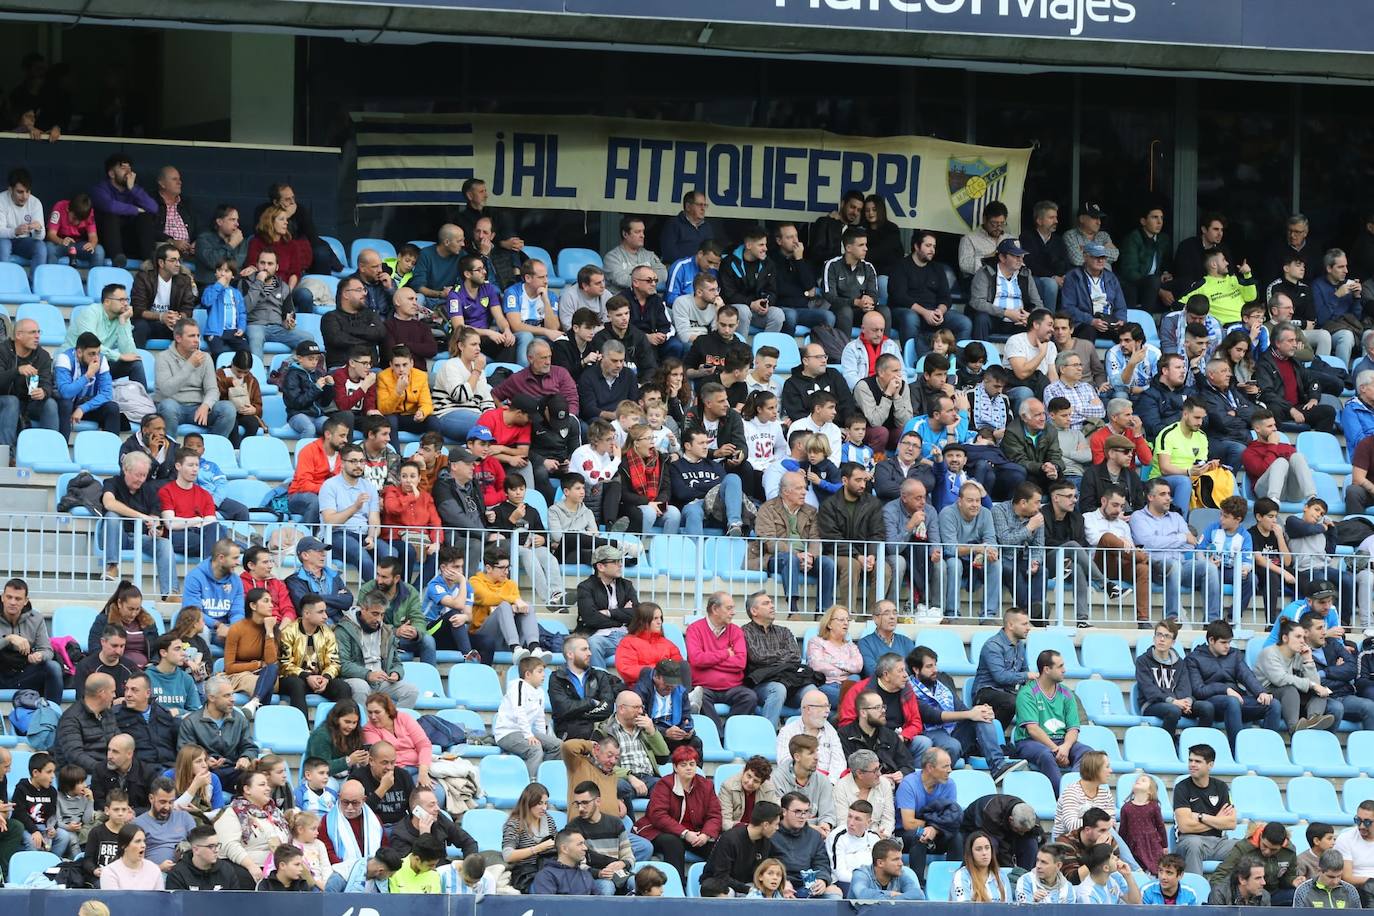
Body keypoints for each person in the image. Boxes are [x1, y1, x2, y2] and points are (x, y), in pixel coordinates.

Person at [909, 645, 1022, 782]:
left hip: (952, 729)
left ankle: (998, 766)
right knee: (953, 745)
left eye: (935, 665)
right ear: (916, 669)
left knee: (981, 717)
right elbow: (933, 715)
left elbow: (960, 707)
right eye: (929, 667)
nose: (935, 670)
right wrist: (970, 714)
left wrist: (980, 711)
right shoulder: (909, 689)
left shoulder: (943, 680)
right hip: (930, 731)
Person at [1013, 650, 1091, 795]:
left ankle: (1076, 792)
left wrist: (1065, 748)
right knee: (1046, 755)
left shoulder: (1067, 693)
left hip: (1062, 741)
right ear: (1046, 669)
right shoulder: (1027, 693)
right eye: (1060, 666)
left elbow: (1073, 728)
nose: (1064, 670)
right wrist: (1056, 750)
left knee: (1088, 754)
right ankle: (1063, 797)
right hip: (1029, 741)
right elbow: (1033, 729)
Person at [1254, 616, 1337, 731]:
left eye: (1303, 637)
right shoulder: (1269, 653)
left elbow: (1316, 683)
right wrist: (1311, 684)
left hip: (1293, 697)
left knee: (1321, 691)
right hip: (1268, 693)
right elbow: (1280, 679)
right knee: (1290, 689)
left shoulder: (1300, 654)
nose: (1303, 641)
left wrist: (1308, 660)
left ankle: (1313, 719)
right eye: (1298, 637)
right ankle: (1294, 727)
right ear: (1285, 638)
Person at [701, 798, 781, 897]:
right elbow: (721, 876)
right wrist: (749, 889)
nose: (777, 828)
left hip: (746, 885)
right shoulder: (730, 839)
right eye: (776, 824)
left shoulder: (766, 842)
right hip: (719, 885)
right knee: (727, 892)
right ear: (765, 825)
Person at [0, 578, 64, 702]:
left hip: (24, 673)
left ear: (25, 601)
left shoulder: (36, 618)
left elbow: (47, 650)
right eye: (9, 597)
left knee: (53, 667)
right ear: (2, 597)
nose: (12, 602)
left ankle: (51, 715)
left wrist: (39, 656)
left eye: (18, 599)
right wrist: (9, 639)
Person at [1210, 820, 1301, 906]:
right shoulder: (1244, 848)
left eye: (1273, 850)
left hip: (1272, 895)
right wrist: (1227, 897)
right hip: (1244, 897)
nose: (1267, 852)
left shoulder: (1289, 852)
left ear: (1282, 845)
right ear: (1261, 836)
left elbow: (1287, 878)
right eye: (1264, 846)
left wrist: (1292, 881)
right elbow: (1220, 876)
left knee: (1297, 895)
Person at [770, 792, 842, 898]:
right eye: (798, 812)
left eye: (806, 812)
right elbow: (763, 866)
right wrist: (780, 882)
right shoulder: (771, 833)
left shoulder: (814, 836)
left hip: (807, 885)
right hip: (779, 885)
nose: (803, 816)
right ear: (784, 811)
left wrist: (822, 880)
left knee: (834, 893)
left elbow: (822, 863)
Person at [822, 226, 884, 337]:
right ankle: (843, 350)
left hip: (862, 312)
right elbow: (829, 296)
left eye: (866, 244)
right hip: (840, 312)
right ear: (848, 248)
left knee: (884, 310)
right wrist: (855, 302)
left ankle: (883, 351)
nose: (866, 248)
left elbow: (873, 294)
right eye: (861, 245)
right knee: (846, 311)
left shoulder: (868, 267)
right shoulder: (832, 265)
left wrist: (869, 300)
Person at [1292, 848, 1363, 909]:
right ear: (1319, 870)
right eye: (1331, 877)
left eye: (1339, 876)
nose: (1335, 881)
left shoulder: (1350, 890)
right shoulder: (1303, 890)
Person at [99, 823, 165, 889]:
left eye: (144, 841)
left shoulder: (154, 869)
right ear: (124, 846)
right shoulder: (110, 871)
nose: (143, 845)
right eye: (138, 841)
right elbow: (113, 898)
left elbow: (160, 897)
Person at [951, 830, 1009, 903]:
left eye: (987, 848)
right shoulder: (961, 876)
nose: (984, 853)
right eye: (978, 849)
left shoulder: (1001, 875)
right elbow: (963, 910)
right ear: (970, 853)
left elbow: (1009, 909)